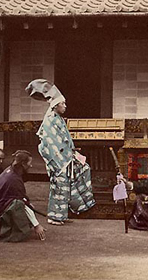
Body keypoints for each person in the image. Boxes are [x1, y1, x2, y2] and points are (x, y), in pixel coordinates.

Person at [26, 79, 95, 226]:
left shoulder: (58, 118)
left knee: (83, 169)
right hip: (57, 160)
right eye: (63, 104)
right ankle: (55, 217)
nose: (65, 106)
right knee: (60, 185)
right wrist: (64, 158)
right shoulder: (50, 119)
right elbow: (51, 143)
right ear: (55, 105)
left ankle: (66, 213)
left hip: (65, 157)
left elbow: (64, 140)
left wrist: (73, 151)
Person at [0, 150, 47, 242]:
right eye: (29, 163)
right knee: (18, 204)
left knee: (25, 204)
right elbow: (22, 203)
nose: (31, 165)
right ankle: (9, 231)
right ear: (23, 164)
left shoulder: (10, 170)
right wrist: (37, 225)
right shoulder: (13, 179)